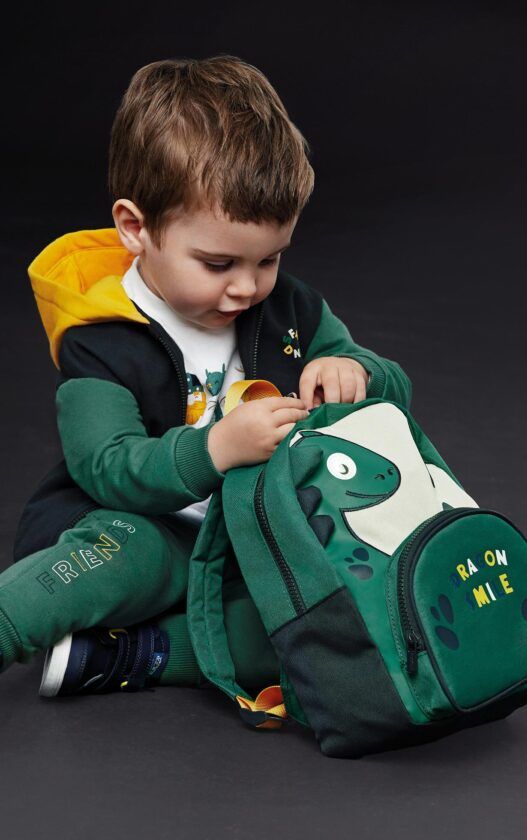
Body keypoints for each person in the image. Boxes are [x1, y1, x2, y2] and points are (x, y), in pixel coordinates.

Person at [1, 55, 412, 698]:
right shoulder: (102, 340)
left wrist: (356, 371)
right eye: (218, 264)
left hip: (260, 539)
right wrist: (215, 448)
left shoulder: (291, 311)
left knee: (328, 624)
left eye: (269, 260)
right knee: (116, 560)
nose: (247, 287)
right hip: (143, 529)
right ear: (136, 228)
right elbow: (105, 466)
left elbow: (394, 394)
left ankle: (134, 652)